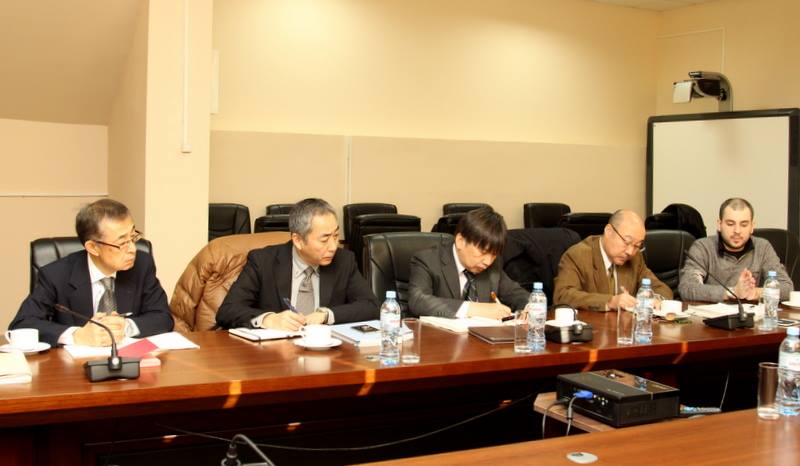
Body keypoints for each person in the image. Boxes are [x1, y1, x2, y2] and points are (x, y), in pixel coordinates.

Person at [10, 199, 174, 346]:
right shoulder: (56, 275)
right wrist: (76, 335)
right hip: (73, 365)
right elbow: (22, 325)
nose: (132, 249)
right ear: (93, 247)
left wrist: (125, 326)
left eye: (133, 237)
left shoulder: (142, 265)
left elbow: (163, 317)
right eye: (122, 242)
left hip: (129, 360)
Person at [216, 198, 379, 330]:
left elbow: (371, 306)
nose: (333, 246)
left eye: (336, 236)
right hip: (274, 353)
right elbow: (228, 311)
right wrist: (268, 319)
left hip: (324, 352)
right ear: (298, 240)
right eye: (324, 239)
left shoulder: (343, 260)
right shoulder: (263, 261)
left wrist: (326, 315)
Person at [408, 206, 529, 319]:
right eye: (483, 252)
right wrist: (473, 308)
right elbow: (418, 301)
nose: (488, 261)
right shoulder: (428, 260)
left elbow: (517, 294)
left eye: (494, 255)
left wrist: (530, 308)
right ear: (460, 241)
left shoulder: (492, 266)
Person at [553, 209, 672, 311]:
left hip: (624, 327)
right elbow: (562, 295)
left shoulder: (635, 259)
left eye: (637, 245)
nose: (630, 251)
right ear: (609, 231)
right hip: (592, 327)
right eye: (627, 242)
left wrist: (655, 299)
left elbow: (661, 288)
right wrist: (609, 302)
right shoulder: (577, 255)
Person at [678, 198, 793, 302]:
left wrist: (755, 293)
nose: (737, 231)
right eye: (730, 224)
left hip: (751, 315)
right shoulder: (702, 247)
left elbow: (787, 288)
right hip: (711, 317)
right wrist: (732, 292)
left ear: (752, 226)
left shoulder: (763, 247)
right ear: (719, 224)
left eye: (744, 225)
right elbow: (687, 288)